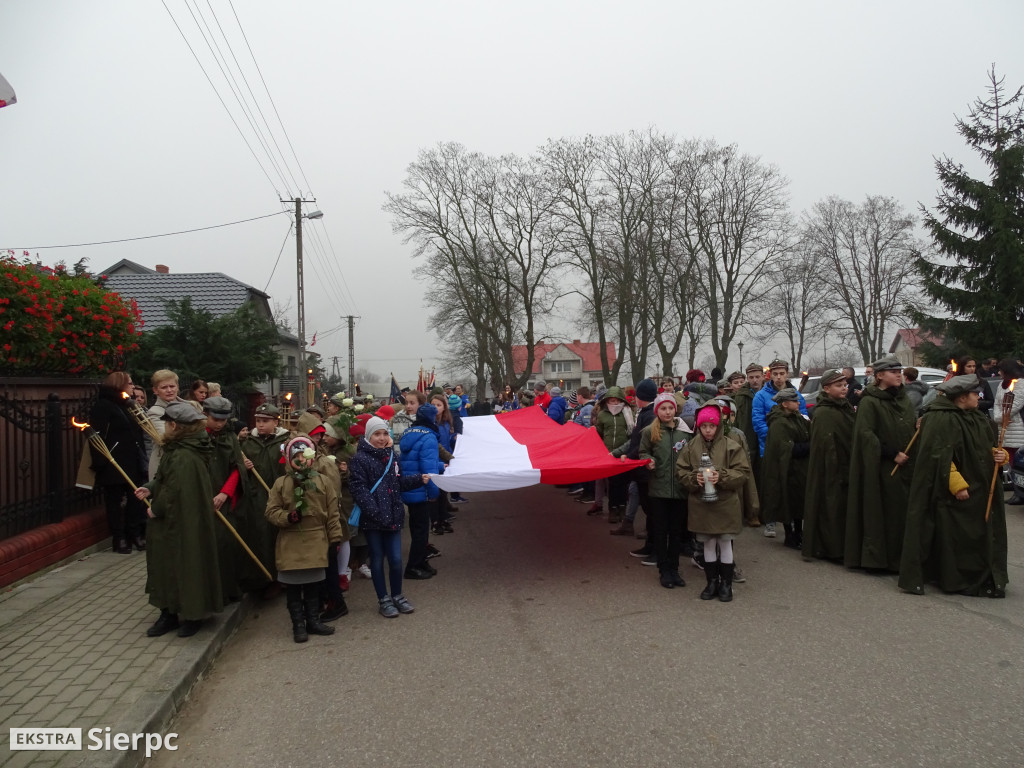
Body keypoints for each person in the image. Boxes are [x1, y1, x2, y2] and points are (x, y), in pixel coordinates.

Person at [899, 374, 1009, 597]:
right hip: (957, 491)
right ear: (961, 398)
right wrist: (957, 484)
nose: (979, 397)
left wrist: (1000, 456)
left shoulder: (977, 417)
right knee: (958, 536)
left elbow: (984, 448)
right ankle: (957, 578)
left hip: (982, 487)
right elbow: (938, 457)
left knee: (981, 533)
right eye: (974, 394)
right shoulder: (940, 419)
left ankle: (983, 574)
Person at [135, 402, 222, 638]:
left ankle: (190, 614)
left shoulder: (184, 454)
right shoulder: (181, 450)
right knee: (178, 564)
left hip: (180, 520)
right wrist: (150, 488)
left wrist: (157, 508)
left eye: (166, 423)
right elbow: (166, 479)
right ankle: (172, 612)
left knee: (181, 564)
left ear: (175, 425)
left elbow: (173, 490)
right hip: (184, 518)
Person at [350, 416, 430, 618]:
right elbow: (359, 490)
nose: (382, 437)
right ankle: (383, 599)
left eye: (385, 433)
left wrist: (418, 480)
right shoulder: (359, 460)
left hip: (393, 516)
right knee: (377, 559)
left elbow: (398, 482)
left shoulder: (392, 456)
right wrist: (376, 513)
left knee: (395, 559)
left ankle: (397, 595)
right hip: (374, 520)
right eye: (377, 434)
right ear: (369, 436)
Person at [265, 435, 342, 642]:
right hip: (291, 542)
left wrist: (334, 539)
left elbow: (332, 512)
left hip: (316, 539)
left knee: (312, 586)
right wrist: (287, 517)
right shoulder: (281, 483)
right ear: (289, 459)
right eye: (296, 456)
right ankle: (298, 625)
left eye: (304, 456)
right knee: (293, 588)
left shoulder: (323, 481)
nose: (301, 460)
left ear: (312, 458)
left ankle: (313, 621)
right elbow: (271, 511)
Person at [845, 354, 916, 572]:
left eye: (899, 371)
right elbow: (866, 435)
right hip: (883, 466)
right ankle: (882, 560)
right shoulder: (870, 401)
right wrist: (891, 453)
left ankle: (904, 557)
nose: (898, 374)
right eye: (892, 371)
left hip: (908, 465)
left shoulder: (904, 398)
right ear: (879, 376)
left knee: (905, 513)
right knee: (886, 513)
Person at [676, 403, 751, 603]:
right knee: (708, 543)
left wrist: (723, 476)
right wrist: (694, 479)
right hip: (701, 504)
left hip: (725, 503)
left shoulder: (731, 445)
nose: (708, 430)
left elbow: (743, 472)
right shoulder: (691, 447)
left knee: (725, 543)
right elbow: (681, 471)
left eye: (711, 426)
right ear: (698, 427)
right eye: (703, 427)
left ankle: (726, 583)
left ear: (718, 426)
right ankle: (711, 582)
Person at [89, 371, 149, 554]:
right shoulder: (103, 406)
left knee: (135, 499)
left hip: (133, 460)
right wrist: (102, 462)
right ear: (119, 385)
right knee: (114, 502)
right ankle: (119, 538)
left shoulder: (128, 405)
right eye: (129, 383)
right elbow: (96, 435)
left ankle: (134, 533)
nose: (132, 386)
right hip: (113, 462)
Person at [638, 393, 693, 589]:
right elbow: (643, 451)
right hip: (659, 489)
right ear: (657, 411)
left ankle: (675, 569)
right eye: (663, 409)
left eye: (670, 408)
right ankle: (664, 570)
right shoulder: (649, 431)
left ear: (675, 409)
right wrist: (648, 460)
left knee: (676, 532)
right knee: (661, 532)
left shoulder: (685, 433)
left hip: (680, 488)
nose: (667, 412)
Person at [802, 370, 856, 561]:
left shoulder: (846, 407)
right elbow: (824, 444)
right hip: (830, 468)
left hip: (846, 464)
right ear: (826, 389)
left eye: (845, 385)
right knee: (830, 507)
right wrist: (834, 466)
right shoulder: (823, 412)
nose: (844, 388)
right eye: (838, 385)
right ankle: (831, 548)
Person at [751, 359, 807, 536]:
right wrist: (776, 439)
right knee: (772, 486)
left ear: (787, 374)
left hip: (793, 449)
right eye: (775, 374)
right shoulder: (761, 395)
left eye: (782, 373)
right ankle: (770, 521)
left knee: (790, 487)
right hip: (769, 447)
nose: (778, 377)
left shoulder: (795, 394)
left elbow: (803, 417)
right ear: (770, 375)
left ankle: (792, 523)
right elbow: (758, 421)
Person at [238, 403, 289, 593]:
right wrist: (244, 465)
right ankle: (258, 576)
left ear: (276, 422)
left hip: (276, 496)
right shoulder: (247, 443)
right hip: (254, 497)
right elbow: (236, 469)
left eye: (265, 421)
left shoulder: (284, 441)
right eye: (258, 421)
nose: (260, 425)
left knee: (275, 537)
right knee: (257, 536)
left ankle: (278, 577)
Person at [203, 396, 249, 604]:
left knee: (227, 546)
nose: (220, 423)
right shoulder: (197, 437)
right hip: (203, 496)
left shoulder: (229, 437)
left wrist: (225, 493)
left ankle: (230, 590)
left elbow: (236, 467)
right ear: (205, 415)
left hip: (225, 499)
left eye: (223, 419)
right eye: (215, 419)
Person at [760, 388, 811, 549]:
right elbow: (785, 448)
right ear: (785, 404)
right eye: (794, 400)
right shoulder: (779, 423)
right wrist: (809, 446)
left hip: (798, 468)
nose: (798, 402)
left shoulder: (797, 418)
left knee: (797, 502)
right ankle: (790, 535)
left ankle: (799, 532)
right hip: (786, 469)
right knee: (788, 501)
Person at [399, 401, 442, 579]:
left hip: (410, 487)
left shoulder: (409, 433)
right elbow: (428, 468)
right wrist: (434, 493)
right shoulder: (429, 437)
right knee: (420, 532)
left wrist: (441, 464)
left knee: (417, 529)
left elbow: (415, 460)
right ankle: (413, 567)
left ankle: (422, 561)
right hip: (422, 489)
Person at [593, 386, 634, 520]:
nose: (614, 403)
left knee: (622, 483)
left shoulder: (627, 413)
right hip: (609, 453)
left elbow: (631, 434)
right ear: (607, 402)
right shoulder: (602, 415)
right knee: (612, 484)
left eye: (617, 400)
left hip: (623, 454)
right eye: (611, 401)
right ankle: (612, 509)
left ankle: (622, 508)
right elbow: (599, 433)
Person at [992, 358, 1024, 505]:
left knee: (1019, 462)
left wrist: (1003, 416)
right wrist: (999, 418)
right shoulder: (1001, 385)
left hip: (1017, 428)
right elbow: (997, 404)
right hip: (1004, 427)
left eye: (1001, 370)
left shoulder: (1020, 384)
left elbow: (1015, 404)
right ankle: (1017, 493)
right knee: (1010, 463)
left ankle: (1020, 493)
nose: (998, 373)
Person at [146, 369, 188, 477]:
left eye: (172, 386)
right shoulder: (154, 412)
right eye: (164, 387)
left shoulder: (189, 406)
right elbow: (166, 438)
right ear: (155, 390)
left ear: (177, 387)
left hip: (187, 462)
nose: (169, 390)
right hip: (166, 465)